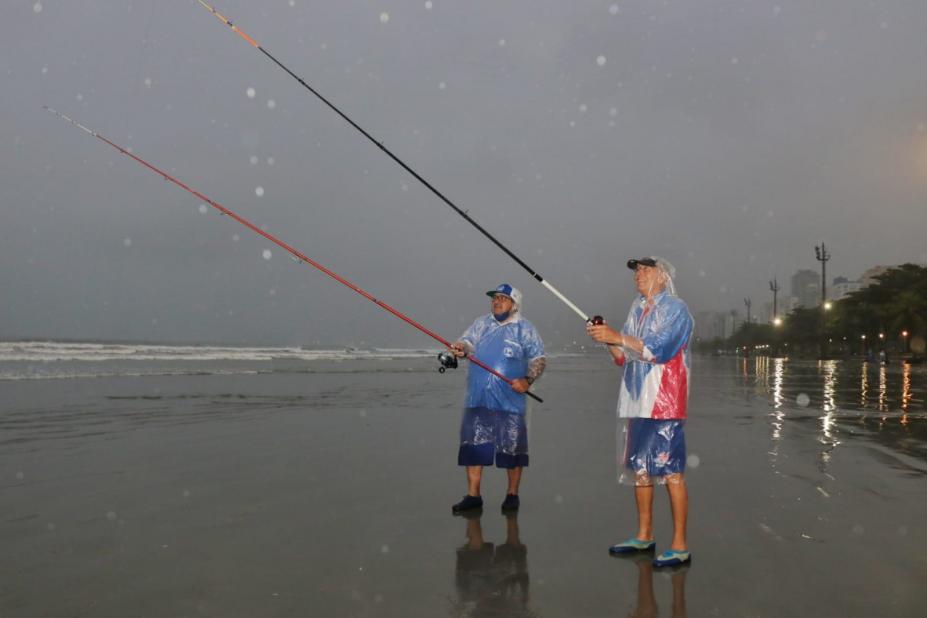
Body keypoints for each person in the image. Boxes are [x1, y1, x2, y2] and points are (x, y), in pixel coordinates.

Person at [586, 256, 694, 568]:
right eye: (637, 271)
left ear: (663, 276)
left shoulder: (675, 309)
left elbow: (657, 349)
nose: (638, 275)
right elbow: (623, 357)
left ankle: (679, 544)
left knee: (672, 472)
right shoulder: (637, 309)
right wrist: (605, 338)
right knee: (642, 470)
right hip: (637, 402)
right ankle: (644, 535)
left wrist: (616, 337)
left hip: (665, 402)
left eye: (646, 269)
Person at [448, 284, 546, 515]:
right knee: (473, 447)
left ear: (515, 304)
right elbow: (467, 342)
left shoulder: (525, 328)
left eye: (503, 298)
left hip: (510, 401)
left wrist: (527, 380)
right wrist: (460, 348)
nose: (497, 302)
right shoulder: (481, 323)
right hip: (477, 399)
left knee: (512, 450)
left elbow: (539, 358)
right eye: (495, 298)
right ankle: (473, 496)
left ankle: (512, 494)